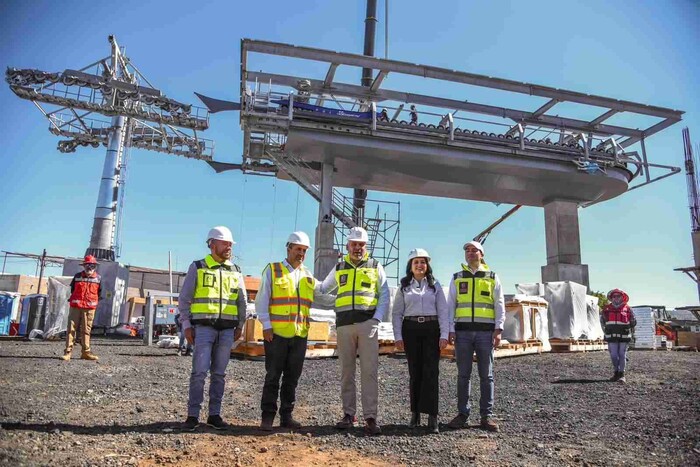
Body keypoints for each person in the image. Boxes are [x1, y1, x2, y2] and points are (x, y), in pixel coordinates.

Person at [320, 226, 390, 435]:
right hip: (344, 325)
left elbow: (384, 294)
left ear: (365, 246)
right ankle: (348, 415)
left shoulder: (375, 266)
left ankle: (370, 417)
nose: (357, 248)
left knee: (369, 372)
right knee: (346, 372)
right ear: (347, 245)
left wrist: (376, 319)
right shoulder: (339, 267)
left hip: (367, 325)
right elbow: (324, 289)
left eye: (361, 244)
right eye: (354, 244)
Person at [178, 226, 247, 431]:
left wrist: (241, 324)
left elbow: (242, 301)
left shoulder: (235, 271)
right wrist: (187, 325)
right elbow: (184, 299)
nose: (229, 247)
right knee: (199, 372)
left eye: (230, 244)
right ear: (212, 244)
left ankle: (214, 414)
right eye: (225, 243)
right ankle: (193, 415)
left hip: (227, 330)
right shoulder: (198, 267)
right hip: (203, 329)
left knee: (219, 374)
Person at [256, 231, 320, 431]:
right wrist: (266, 325)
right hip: (276, 334)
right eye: (298, 249)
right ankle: (267, 417)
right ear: (289, 248)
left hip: (299, 334)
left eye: (304, 250)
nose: (301, 253)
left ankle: (286, 416)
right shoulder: (273, 270)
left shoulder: (308, 275)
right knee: (273, 376)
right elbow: (262, 300)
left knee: (292, 378)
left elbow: (324, 293)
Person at [446, 241, 505, 432]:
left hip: (485, 333)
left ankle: (486, 416)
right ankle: (463, 414)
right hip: (462, 333)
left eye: (474, 251)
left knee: (486, 376)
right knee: (463, 375)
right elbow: (450, 306)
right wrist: (450, 329)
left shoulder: (492, 277)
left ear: (482, 254)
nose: (470, 253)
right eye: (467, 251)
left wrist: (498, 329)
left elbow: (499, 305)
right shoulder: (457, 277)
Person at [392, 248, 449, 434]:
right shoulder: (403, 286)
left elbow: (443, 311)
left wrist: (444, 335)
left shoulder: (435, 285)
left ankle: (433, 417)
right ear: (410, 266)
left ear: (427, 265)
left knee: (431, 373)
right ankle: (415, 414)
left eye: (423, 262)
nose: (419, 265)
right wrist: (398, 336)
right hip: (411, 330)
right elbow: (396, 313)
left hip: (432, 330)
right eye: (416, 262)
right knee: (414, 372)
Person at [61, 255, 102, 361]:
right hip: (75, 307)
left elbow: (99, 293)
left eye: (92, 265)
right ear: (84, 266)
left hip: (89, 308)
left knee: (86, 330)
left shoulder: (98, 279)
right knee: (71, 329)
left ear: (95, 266)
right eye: (88, 265)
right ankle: (68, 352)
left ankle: (86, 352)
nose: (90, 267)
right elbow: (72, 289)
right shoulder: (77, 276)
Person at [601, 288, 636, 383]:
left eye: (618, 296)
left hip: (624, 336)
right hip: (611, 336)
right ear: (611, 298)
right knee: (613, 355)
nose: (616, 298)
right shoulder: (606, 309)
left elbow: (633, 322)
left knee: (622, 354)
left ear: (622, 297)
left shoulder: (628, 309)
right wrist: (605, 332)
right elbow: (602, 322)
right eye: (614, 296)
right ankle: (616, 371)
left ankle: (621, 374)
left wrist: (629, 329)